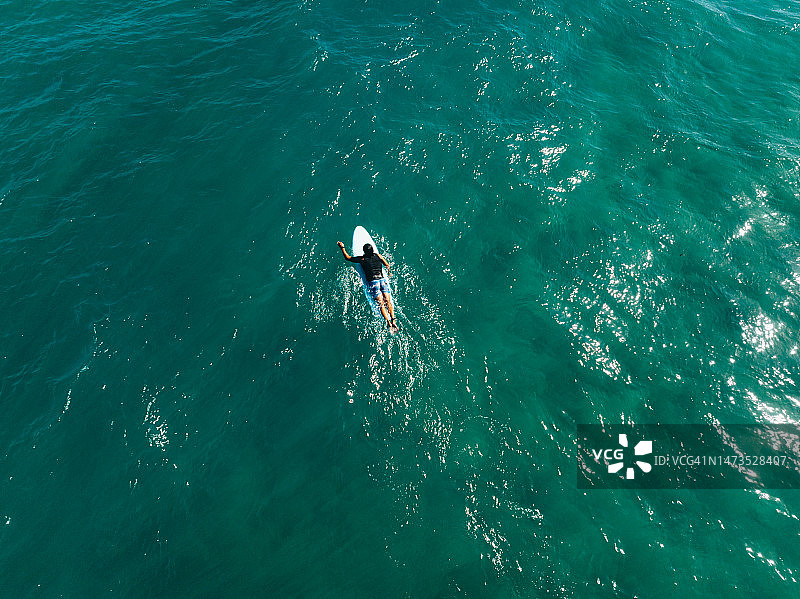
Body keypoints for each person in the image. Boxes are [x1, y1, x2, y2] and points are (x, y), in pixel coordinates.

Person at [337, 240, 398, 331]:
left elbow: (347, 257)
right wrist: (389, 273)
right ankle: (393, 320)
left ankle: (388, 322)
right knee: (388, 301)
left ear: (365, 252)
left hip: (374, 283)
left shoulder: (362, 259)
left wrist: (342, 247)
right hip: (382, 280)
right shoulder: (379, 256)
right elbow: (387, 265)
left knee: (381, 304)